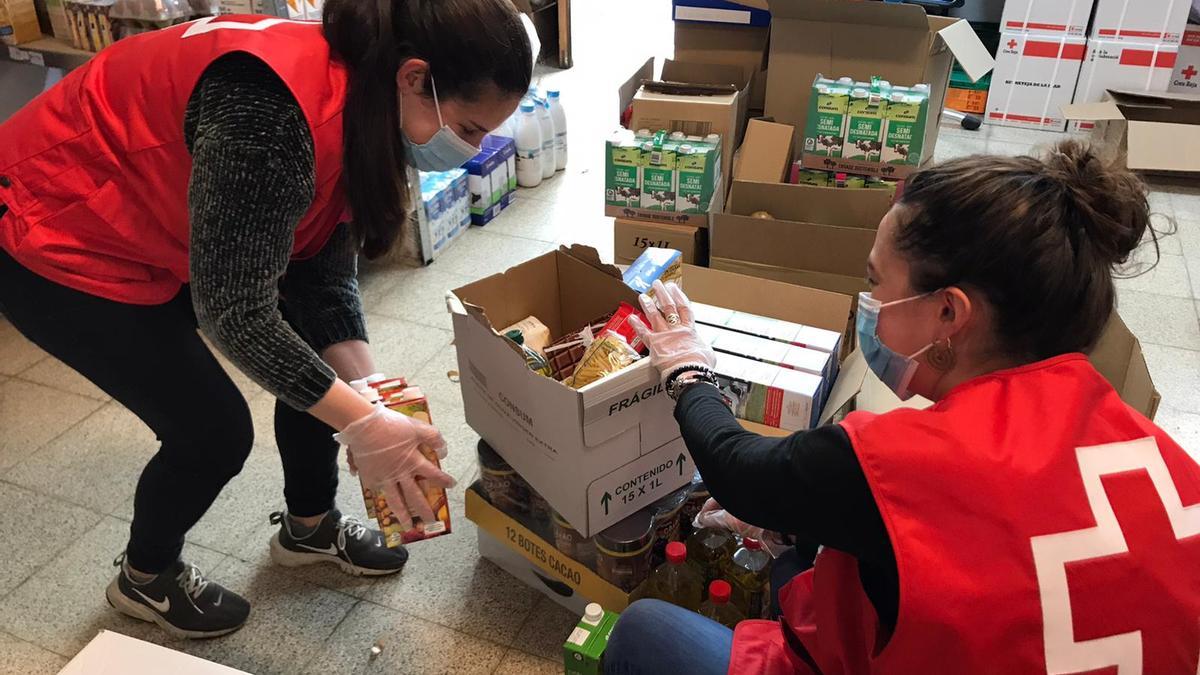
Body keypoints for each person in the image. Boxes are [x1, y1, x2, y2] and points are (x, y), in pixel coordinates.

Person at [0, 0, 531, 639]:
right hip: (54, 224)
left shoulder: (366, 96)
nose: (469, 150)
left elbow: (320, 272)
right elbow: (235, 312)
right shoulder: (272, 116)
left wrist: (369, 396)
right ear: (416, 78)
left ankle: (309, 529)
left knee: (320, 372)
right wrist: (362, 422)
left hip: (149, 211)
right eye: (470, 129)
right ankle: (144, 578)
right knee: (211, 431)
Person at [606, 141, 1200, 674]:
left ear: (950, 313)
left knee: (642, 630)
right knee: (803, 568)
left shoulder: (898, 462)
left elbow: (736, 469)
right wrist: (800, 516)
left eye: (877, 283)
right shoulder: (1171, 467)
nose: (868, 303)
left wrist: (688, 369)